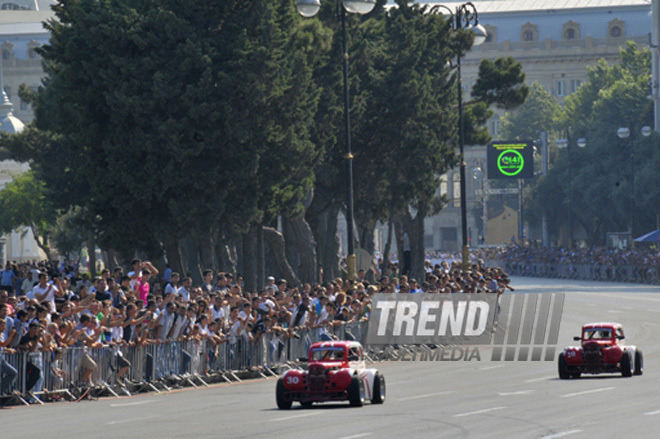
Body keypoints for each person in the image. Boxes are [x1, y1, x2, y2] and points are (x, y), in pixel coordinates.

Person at [0, 317, 18, 395]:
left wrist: (8, 349)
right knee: (12, 372)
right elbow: (3, 343)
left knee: (13, 373)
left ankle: (1, 389)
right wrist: (11, 335)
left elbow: (3, 346)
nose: (4, 328)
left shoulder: (2, 335)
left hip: (1, 358)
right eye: (2, 326)